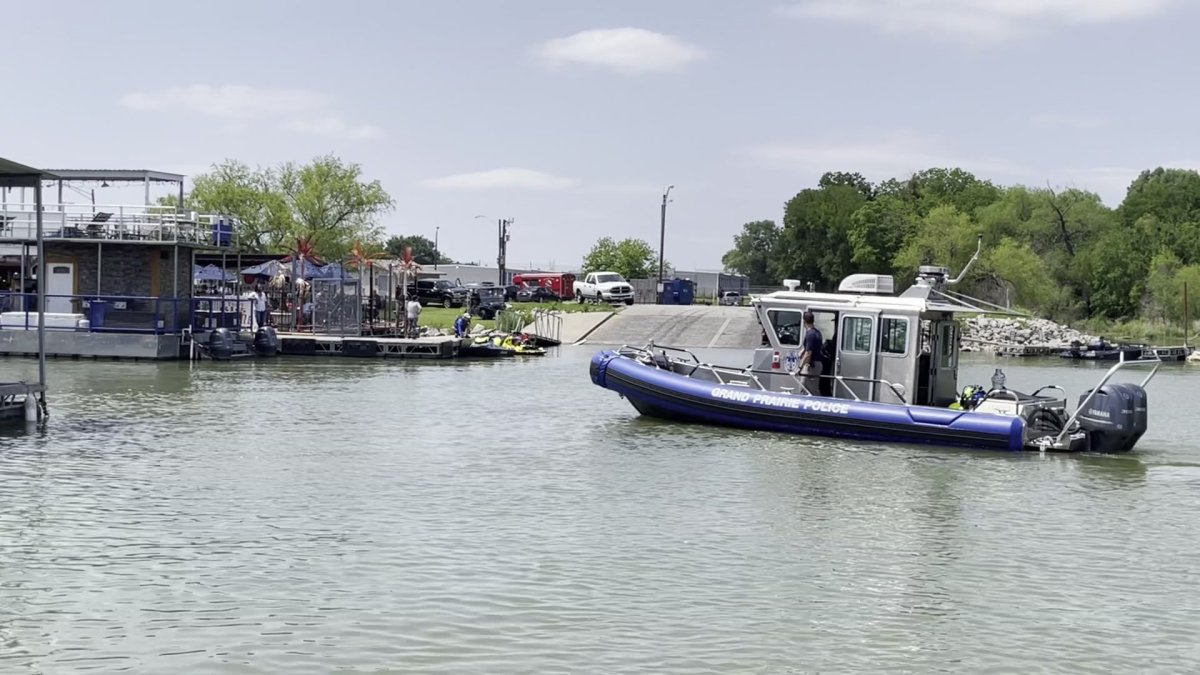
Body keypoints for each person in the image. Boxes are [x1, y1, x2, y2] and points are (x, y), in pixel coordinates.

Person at [798, 311, 823, 395]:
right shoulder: (817, 332)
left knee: (806, 389)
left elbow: (808, 353)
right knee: (812, 388)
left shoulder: (810, 335)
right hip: (817, 364)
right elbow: (808, 348)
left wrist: (800, 366)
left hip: (811, 366)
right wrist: (802, 352)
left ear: (804, 321)